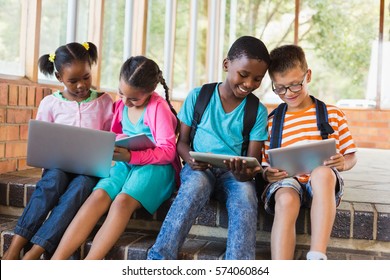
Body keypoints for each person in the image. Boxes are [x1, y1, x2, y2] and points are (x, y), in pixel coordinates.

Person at [147, 36, 270, 260]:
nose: (249, 84)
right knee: (195, 185)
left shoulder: (257, 111)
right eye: (243, 74)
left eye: (257, 79)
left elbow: (252, 163)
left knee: (245, 194)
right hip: (199, 169)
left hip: (234, 177)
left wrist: (245, 174)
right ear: (226, 65)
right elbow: (181, 143)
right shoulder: (199, 96)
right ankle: (159, 259)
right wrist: (191, 160)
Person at [51, 56, 181, 260]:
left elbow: (168, 151)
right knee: (98, 195)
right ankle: (55, 262)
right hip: (126, 161)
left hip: (156, 166)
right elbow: (115, 133)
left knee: (121, 202)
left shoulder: (159, 108)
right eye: (121, 93)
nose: (125, 101)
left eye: (134, 99)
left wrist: (131, 155)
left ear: (151, 90)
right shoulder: (121, 104)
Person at [2, 42, 113, 260]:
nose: (81, 85)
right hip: (57, 167)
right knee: (50, 184)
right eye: (73, 81)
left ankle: (36, 251)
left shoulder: (104, 101)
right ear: (59, 77)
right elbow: (42, 141)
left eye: (86, 77)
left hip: (88, 171)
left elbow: (111, 136)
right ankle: (14, 248)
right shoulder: (50, 103)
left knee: (80, 188)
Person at [261, 44, 357, 260]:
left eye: (295, 85)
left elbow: (351, 155)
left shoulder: (332, 114)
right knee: (285, 199)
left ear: (308, 75)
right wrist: (268, 174)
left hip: (321, 184)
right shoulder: (272, 122)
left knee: (322, 173)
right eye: (281, 88)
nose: (289, 93)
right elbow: (266, 166)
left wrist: (343, 163)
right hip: (288, 183)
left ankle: (316, 255)